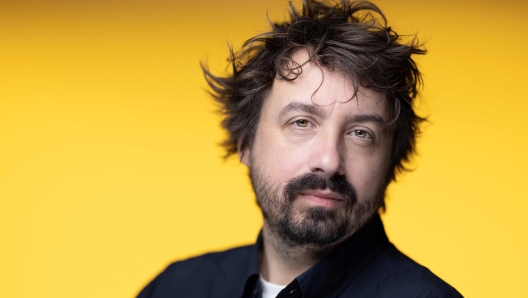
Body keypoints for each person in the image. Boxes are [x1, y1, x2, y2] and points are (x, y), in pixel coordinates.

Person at [137, 0, 462, 297]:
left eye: (361, 133)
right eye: (302, 123)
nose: (329, 161)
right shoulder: (176, 287)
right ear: (246, 143)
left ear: (391, 160)